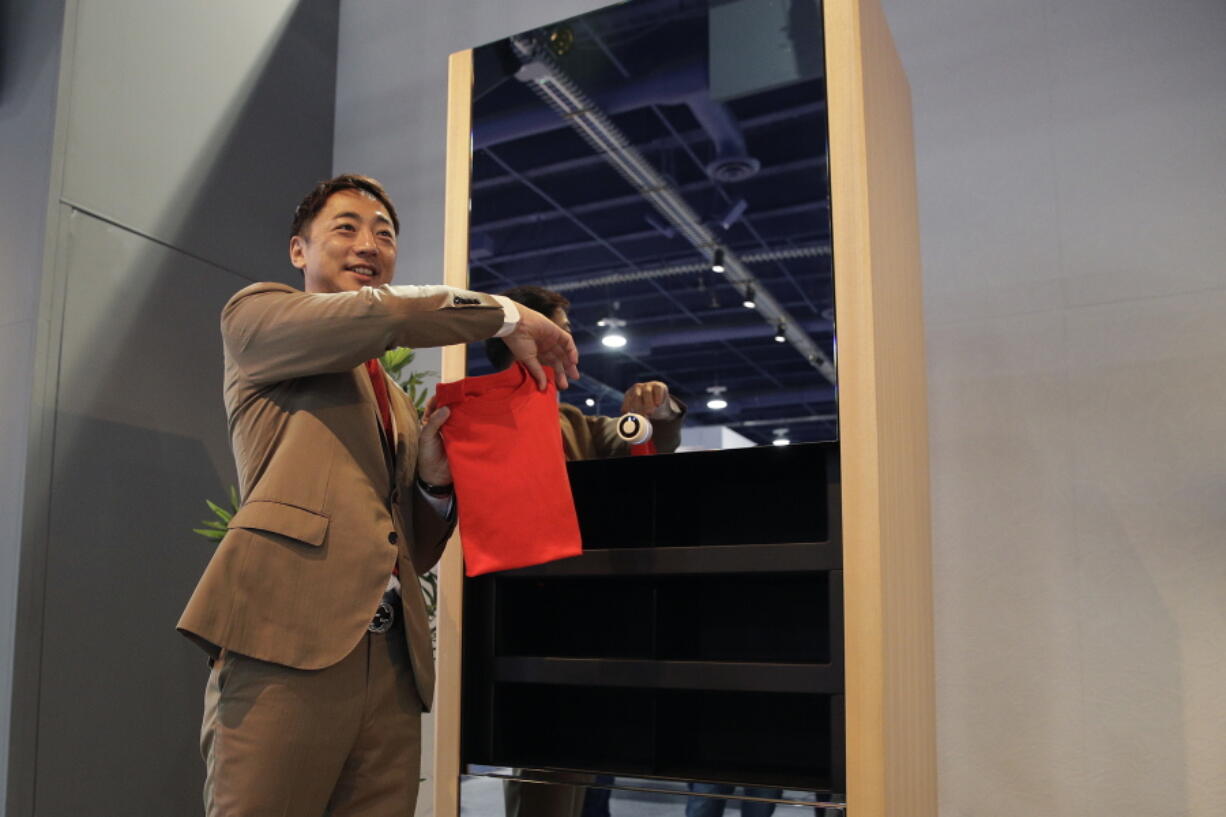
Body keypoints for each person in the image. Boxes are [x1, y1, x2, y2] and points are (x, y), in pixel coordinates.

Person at [177, 174, 579, 817]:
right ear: (298, 251)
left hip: (391, 665)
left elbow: (412, 548)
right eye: (346, 227)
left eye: (384, 234)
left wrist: (432, 481)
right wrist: (505, 313)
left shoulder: (393, 398)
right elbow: (385, 312)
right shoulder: (255, 317)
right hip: (286, 644)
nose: (369, 244)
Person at [486, 286, 683, 817]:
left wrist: (660, 410)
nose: (573, 342)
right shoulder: (480, 414)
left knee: (580, 781)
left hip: (583, 629)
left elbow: (645, 441)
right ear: (525, 334)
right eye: (563, 330)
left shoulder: (570, 421)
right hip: (523, 627)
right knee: (546, 781)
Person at [485, 285, 685, 461]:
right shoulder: (474, 422)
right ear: (521, 340)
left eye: (567, 333)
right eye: (557, 333)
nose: (568, 343)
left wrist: (662, 409)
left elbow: (647, 441)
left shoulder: (574, 422)